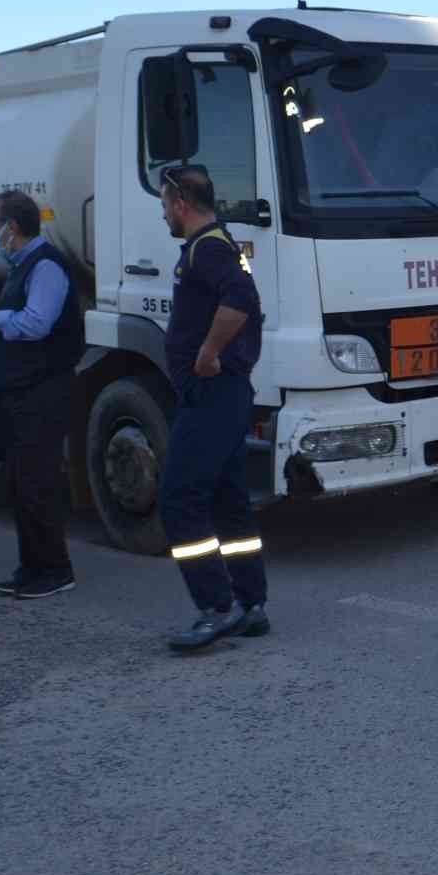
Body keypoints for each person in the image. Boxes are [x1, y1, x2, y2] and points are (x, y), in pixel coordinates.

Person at [156, 165, 270, 651]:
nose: (163, 212)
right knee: (228, 501)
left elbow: (242, 300)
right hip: (224, 393)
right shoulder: (216, 244)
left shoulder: (208, 248)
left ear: (180, 203)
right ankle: (251, 605)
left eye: (164, 203)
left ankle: (215, 608)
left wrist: (206, 353)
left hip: (213, 392)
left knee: (179, 498)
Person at [0, 191, 85, 600]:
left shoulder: (44, 266)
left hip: (41, 393)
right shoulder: (20, 265)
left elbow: (36, 323)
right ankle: (32, 568)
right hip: (22, 393)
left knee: (37, 483)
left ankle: (55, 570)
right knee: (20, 483)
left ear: (11, 227)